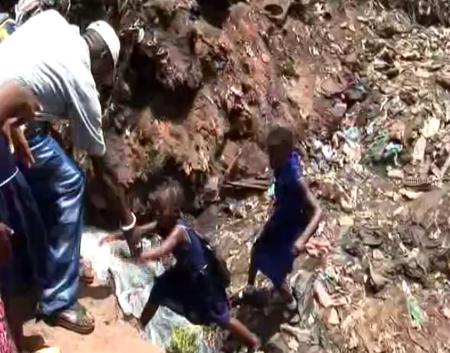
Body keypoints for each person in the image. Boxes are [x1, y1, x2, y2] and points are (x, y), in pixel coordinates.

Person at [0, 9, 137, 334]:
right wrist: (128, 220)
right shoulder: (82, 82)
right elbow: (100, 168)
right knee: (69, 182)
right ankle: (58, 300)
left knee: (42, 176)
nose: (105, 80)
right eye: (107, 72)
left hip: (11, 114)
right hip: (8, 118)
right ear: (102, 57)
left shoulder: (52, 20)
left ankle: (39, 263)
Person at [138, 181, 260, 350]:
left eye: (161, 211)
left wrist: (139, 256)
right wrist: (119, 235)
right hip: (185, 272)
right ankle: (139, 326)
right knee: (159, 289)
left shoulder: (179, 230)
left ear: (175, 212)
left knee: (221, 317)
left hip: (203, 280)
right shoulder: (166, 223)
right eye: (155, 211)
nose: (157, 215)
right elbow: (140, 230)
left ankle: (252, 340)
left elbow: (162, 250)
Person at [245, 126, 322, 319]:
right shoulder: (282, 166)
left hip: (293, 228)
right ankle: (250, 288)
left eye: (274, 156)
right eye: (269, 154)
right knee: (257, 248)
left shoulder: (294, 176)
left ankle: (291, 305)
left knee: (276, 272)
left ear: (286, 153)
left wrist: (302, 240)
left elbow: (319, 211)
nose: (270, 161)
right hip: (282, 218)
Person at [0, 81, 43, 353]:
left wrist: (13, 131)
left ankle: (16, 338)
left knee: (12, 275)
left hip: (7, 182)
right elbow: (15, 94)